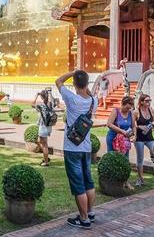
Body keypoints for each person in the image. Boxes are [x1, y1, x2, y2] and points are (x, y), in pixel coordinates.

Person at [56, 69, 98, 229]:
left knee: (78, 184)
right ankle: (91, 212)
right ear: (87, 84)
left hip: (72, 147)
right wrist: (82, 81)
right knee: (88, 181)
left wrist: (72, 72)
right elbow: (87, 91)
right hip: (86, 147)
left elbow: (58, 81)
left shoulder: (72, 99)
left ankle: (84, 218)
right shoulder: (94, 101)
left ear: (74, 84)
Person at [133, 93, 154, 186]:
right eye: (147, 101)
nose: (149, 102)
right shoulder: (136, 112)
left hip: (149, 137)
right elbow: (133, 124)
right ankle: (140, 178)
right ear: (141, 102)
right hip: (139, 138)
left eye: (149, 100)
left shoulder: (151, 110)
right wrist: (139, 126)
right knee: (140, 158)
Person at [32, 89, 55, 166]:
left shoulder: (41, 106)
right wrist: (50, 93)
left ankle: (46, 161)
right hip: (49, 126)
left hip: (43, 126)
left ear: (41, 97)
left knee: (44, 145)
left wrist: (36, 96)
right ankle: (46, 157)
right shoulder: (50, 104)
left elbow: (32, 104)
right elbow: (53, 101)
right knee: (40, 141)